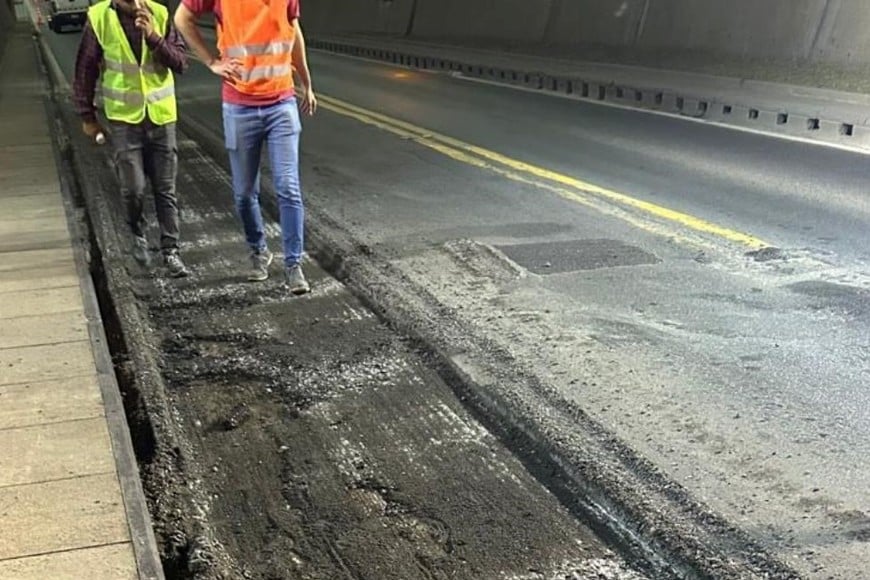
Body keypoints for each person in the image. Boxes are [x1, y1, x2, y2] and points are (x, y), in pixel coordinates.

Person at [174, 0, 316, 294]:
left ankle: (293, 265)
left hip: (281, 103)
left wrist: (306, 82)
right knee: (244, 192)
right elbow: (182, 18)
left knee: (288, 187)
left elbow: (294, 30)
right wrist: (212, 61)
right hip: (240, 107)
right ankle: (259, 250)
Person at [73, 0, 190, 277]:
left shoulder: (159, 14)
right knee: (133, 188)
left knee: (165, 189)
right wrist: (87, 117)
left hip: (161, 117)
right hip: (125, 120)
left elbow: (181, 62)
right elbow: (85, 70)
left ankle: (171, 251)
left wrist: (153, 36)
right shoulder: (99, 18)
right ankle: (137, 233)